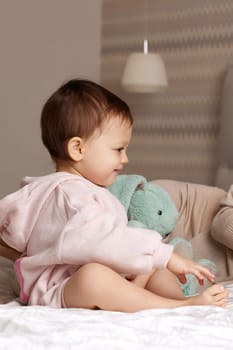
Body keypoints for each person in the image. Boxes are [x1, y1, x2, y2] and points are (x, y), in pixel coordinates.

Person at [0, 79, 228, 312]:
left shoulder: (76, 190)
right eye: (118, 149)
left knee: (150, 266)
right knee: (95, 276)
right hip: (62, 288)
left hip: (110, 277)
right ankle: (174, 306)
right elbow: (106, 238)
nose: (125, 158)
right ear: (78, 149)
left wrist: (154, 259)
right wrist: (166, 255)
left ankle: (180, 302)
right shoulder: (71, 195)